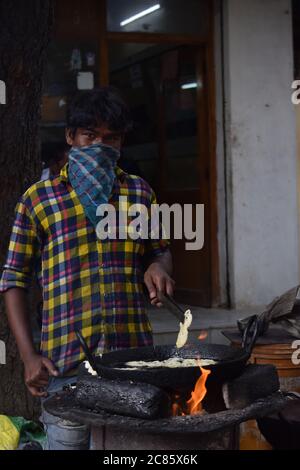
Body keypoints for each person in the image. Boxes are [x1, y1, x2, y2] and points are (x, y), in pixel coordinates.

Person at [0, 87, 174, 450]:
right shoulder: (38, 199)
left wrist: (157, 268)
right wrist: (28, 355)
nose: (100, 145)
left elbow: (159, 251)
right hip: (65, 368)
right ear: (71, 137)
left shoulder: (140, 194)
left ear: (121, 143)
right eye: (90, 135)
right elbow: (14, 280)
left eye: (110, 138)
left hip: (131, 364)